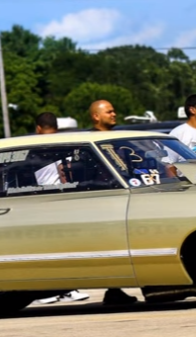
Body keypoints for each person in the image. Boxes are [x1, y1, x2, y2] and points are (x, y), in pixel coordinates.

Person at [31, 112, 90, 305]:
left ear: (38, 128)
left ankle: (56, 289)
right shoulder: (65, 145)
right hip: (65, 199)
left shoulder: (32, 148)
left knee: (45, 250)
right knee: (66, 248)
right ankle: (66, 289)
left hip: (41, 202)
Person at [88, 100, 139, 306]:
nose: (114, 114)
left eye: (114, 110)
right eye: (109, 111)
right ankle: (113, 289)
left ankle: (116, 289)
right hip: (100, 201)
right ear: (96, 116)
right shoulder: (88, 141)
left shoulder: (119, 139)